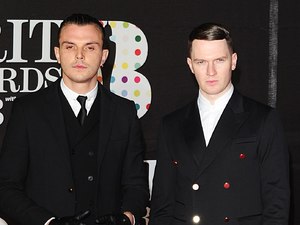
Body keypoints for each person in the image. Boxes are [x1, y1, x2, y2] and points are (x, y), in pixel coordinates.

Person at [0, 13, 149, 225]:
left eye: (90, 47)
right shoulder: (28, 110)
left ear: (103, 56)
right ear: (58, 53)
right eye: (70, 47)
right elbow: (6, 186)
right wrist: (48, 222)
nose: (80, 55)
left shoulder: (123, 111)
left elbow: (136, 183)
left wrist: (127, 217)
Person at [149, 23, 290, 225]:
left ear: (233, 61)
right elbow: (162, 206)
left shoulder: (264, 119)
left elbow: (276, 204)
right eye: (201, 62)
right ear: (190, 65)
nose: (211, 71)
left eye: (219, 60)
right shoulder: (171, 125)